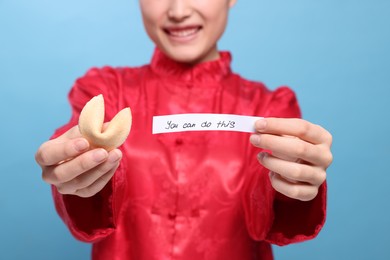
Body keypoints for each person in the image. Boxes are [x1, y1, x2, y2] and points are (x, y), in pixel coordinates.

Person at [35, 0, 333, 259]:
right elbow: (83, 166)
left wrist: (294, 182)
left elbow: (269, 207)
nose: (178, 10)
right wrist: (75, 171)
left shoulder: (271, 108)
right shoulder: (107, 92)